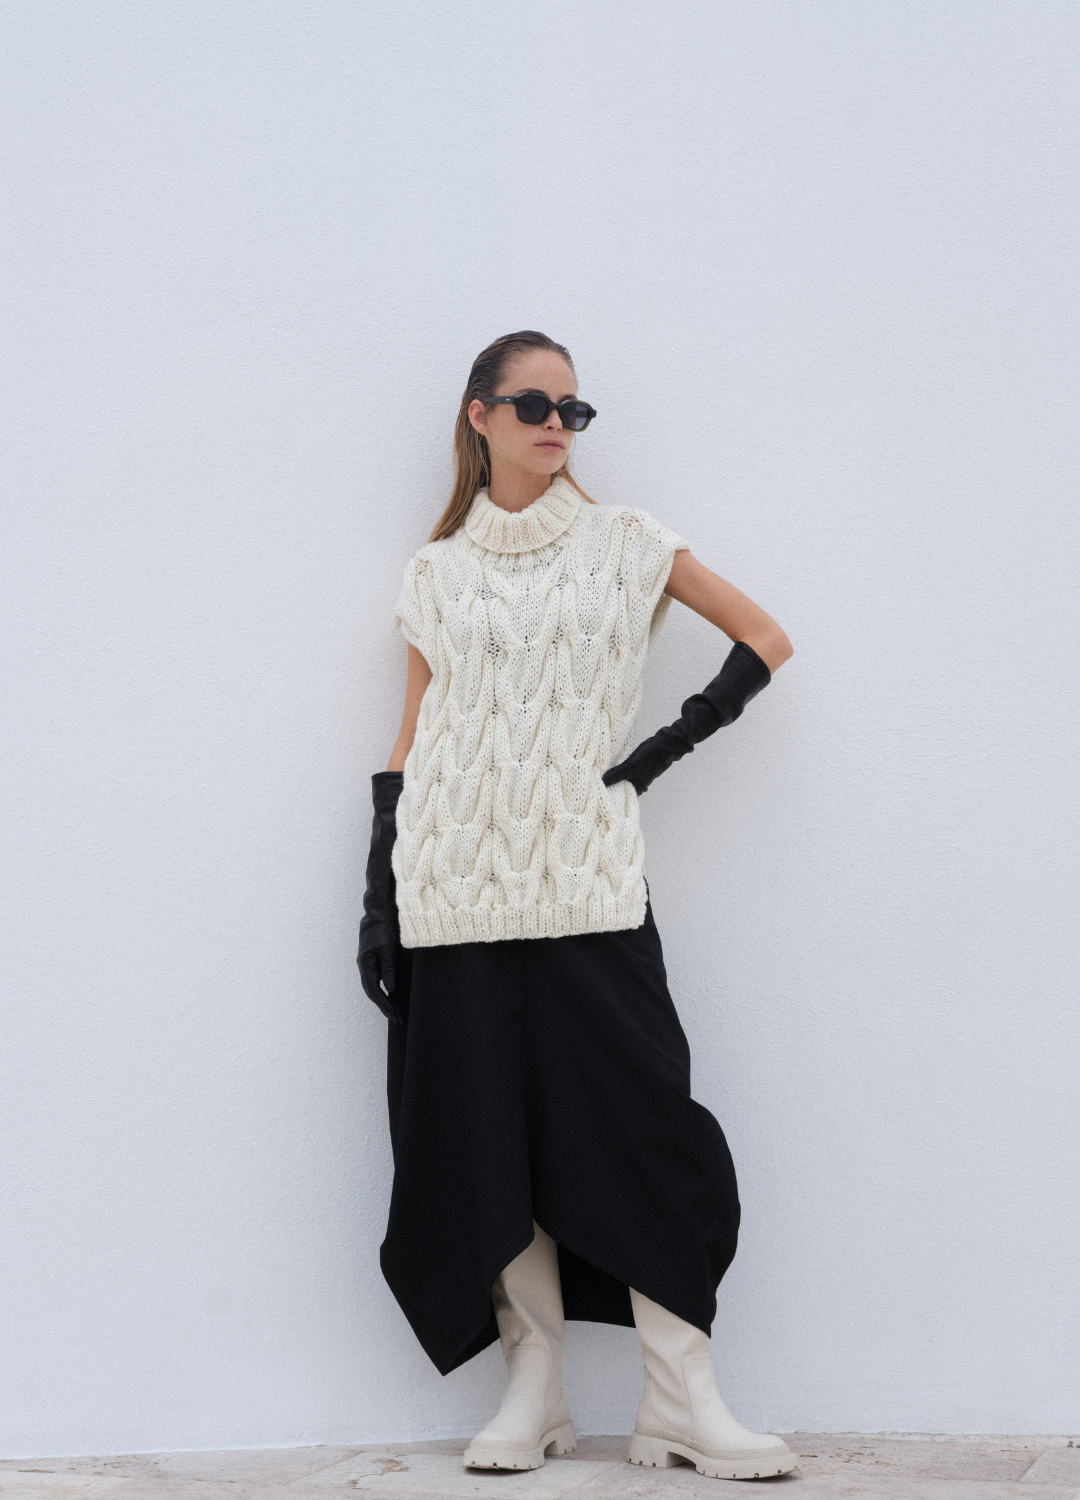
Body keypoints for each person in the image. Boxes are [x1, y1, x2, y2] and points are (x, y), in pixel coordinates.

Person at [358, 330, 795, 1482]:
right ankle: (534, 1391)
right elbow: (414, 739)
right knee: (484, 1141)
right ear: (480, 416)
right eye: (534, 405)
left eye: (573, 409)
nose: (557, 424)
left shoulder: (626, 542)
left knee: (646, 1133)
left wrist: (659, 752)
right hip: (450, 885)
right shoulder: (435, 572)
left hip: (589, 881)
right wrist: (378, 893)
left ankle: (683, 1401)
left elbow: (765, 639)